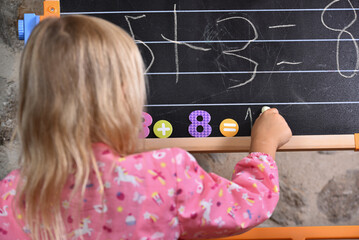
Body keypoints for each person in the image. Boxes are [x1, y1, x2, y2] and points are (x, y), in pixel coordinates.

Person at [0, 15, 292, 240]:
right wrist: (264, 146)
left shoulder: (8, 197)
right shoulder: (163, 176)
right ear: (124, 95)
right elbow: (246, 205)